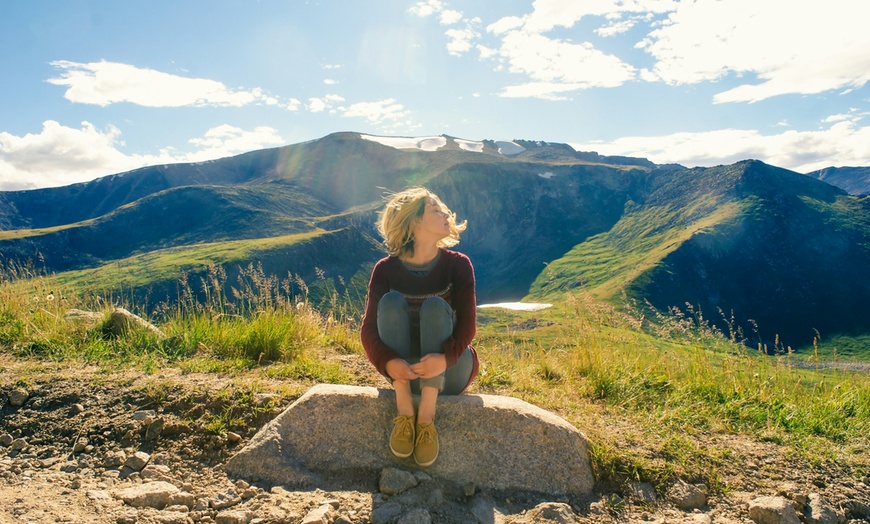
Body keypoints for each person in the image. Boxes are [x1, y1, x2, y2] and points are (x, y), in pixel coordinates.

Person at [360, 187, 479, 467]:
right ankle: (405, 411)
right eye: (436, 210)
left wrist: (444, 359)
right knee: (390, 302)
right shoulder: (385, 270)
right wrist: (390, 364)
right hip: (406, 371)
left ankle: (426, 417)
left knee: (436, 307)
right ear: (415, 221)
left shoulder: (458, 265)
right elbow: (368, 331)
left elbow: (468, 327)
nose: (446, 213)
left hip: (450, 369)